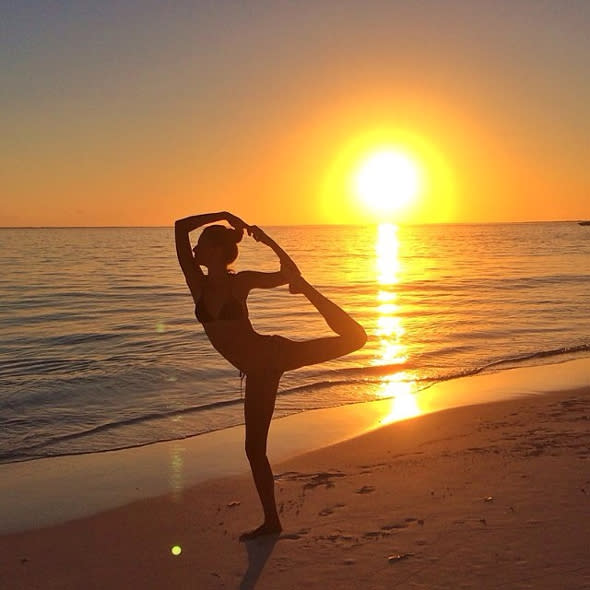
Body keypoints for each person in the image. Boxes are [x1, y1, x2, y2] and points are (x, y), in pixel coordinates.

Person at [175, 211, 367, 540]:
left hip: (272, 355)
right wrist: (222, 213)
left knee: (356, 339)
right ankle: (272, 522)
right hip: (258, 370)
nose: (194, 249)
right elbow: (180, 228)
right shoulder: (198, 283)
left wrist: (268, 242)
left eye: (202, 243)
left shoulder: (241, 281)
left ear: (218, 251)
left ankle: (310, 293)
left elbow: (289, 273)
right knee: (253, 449)